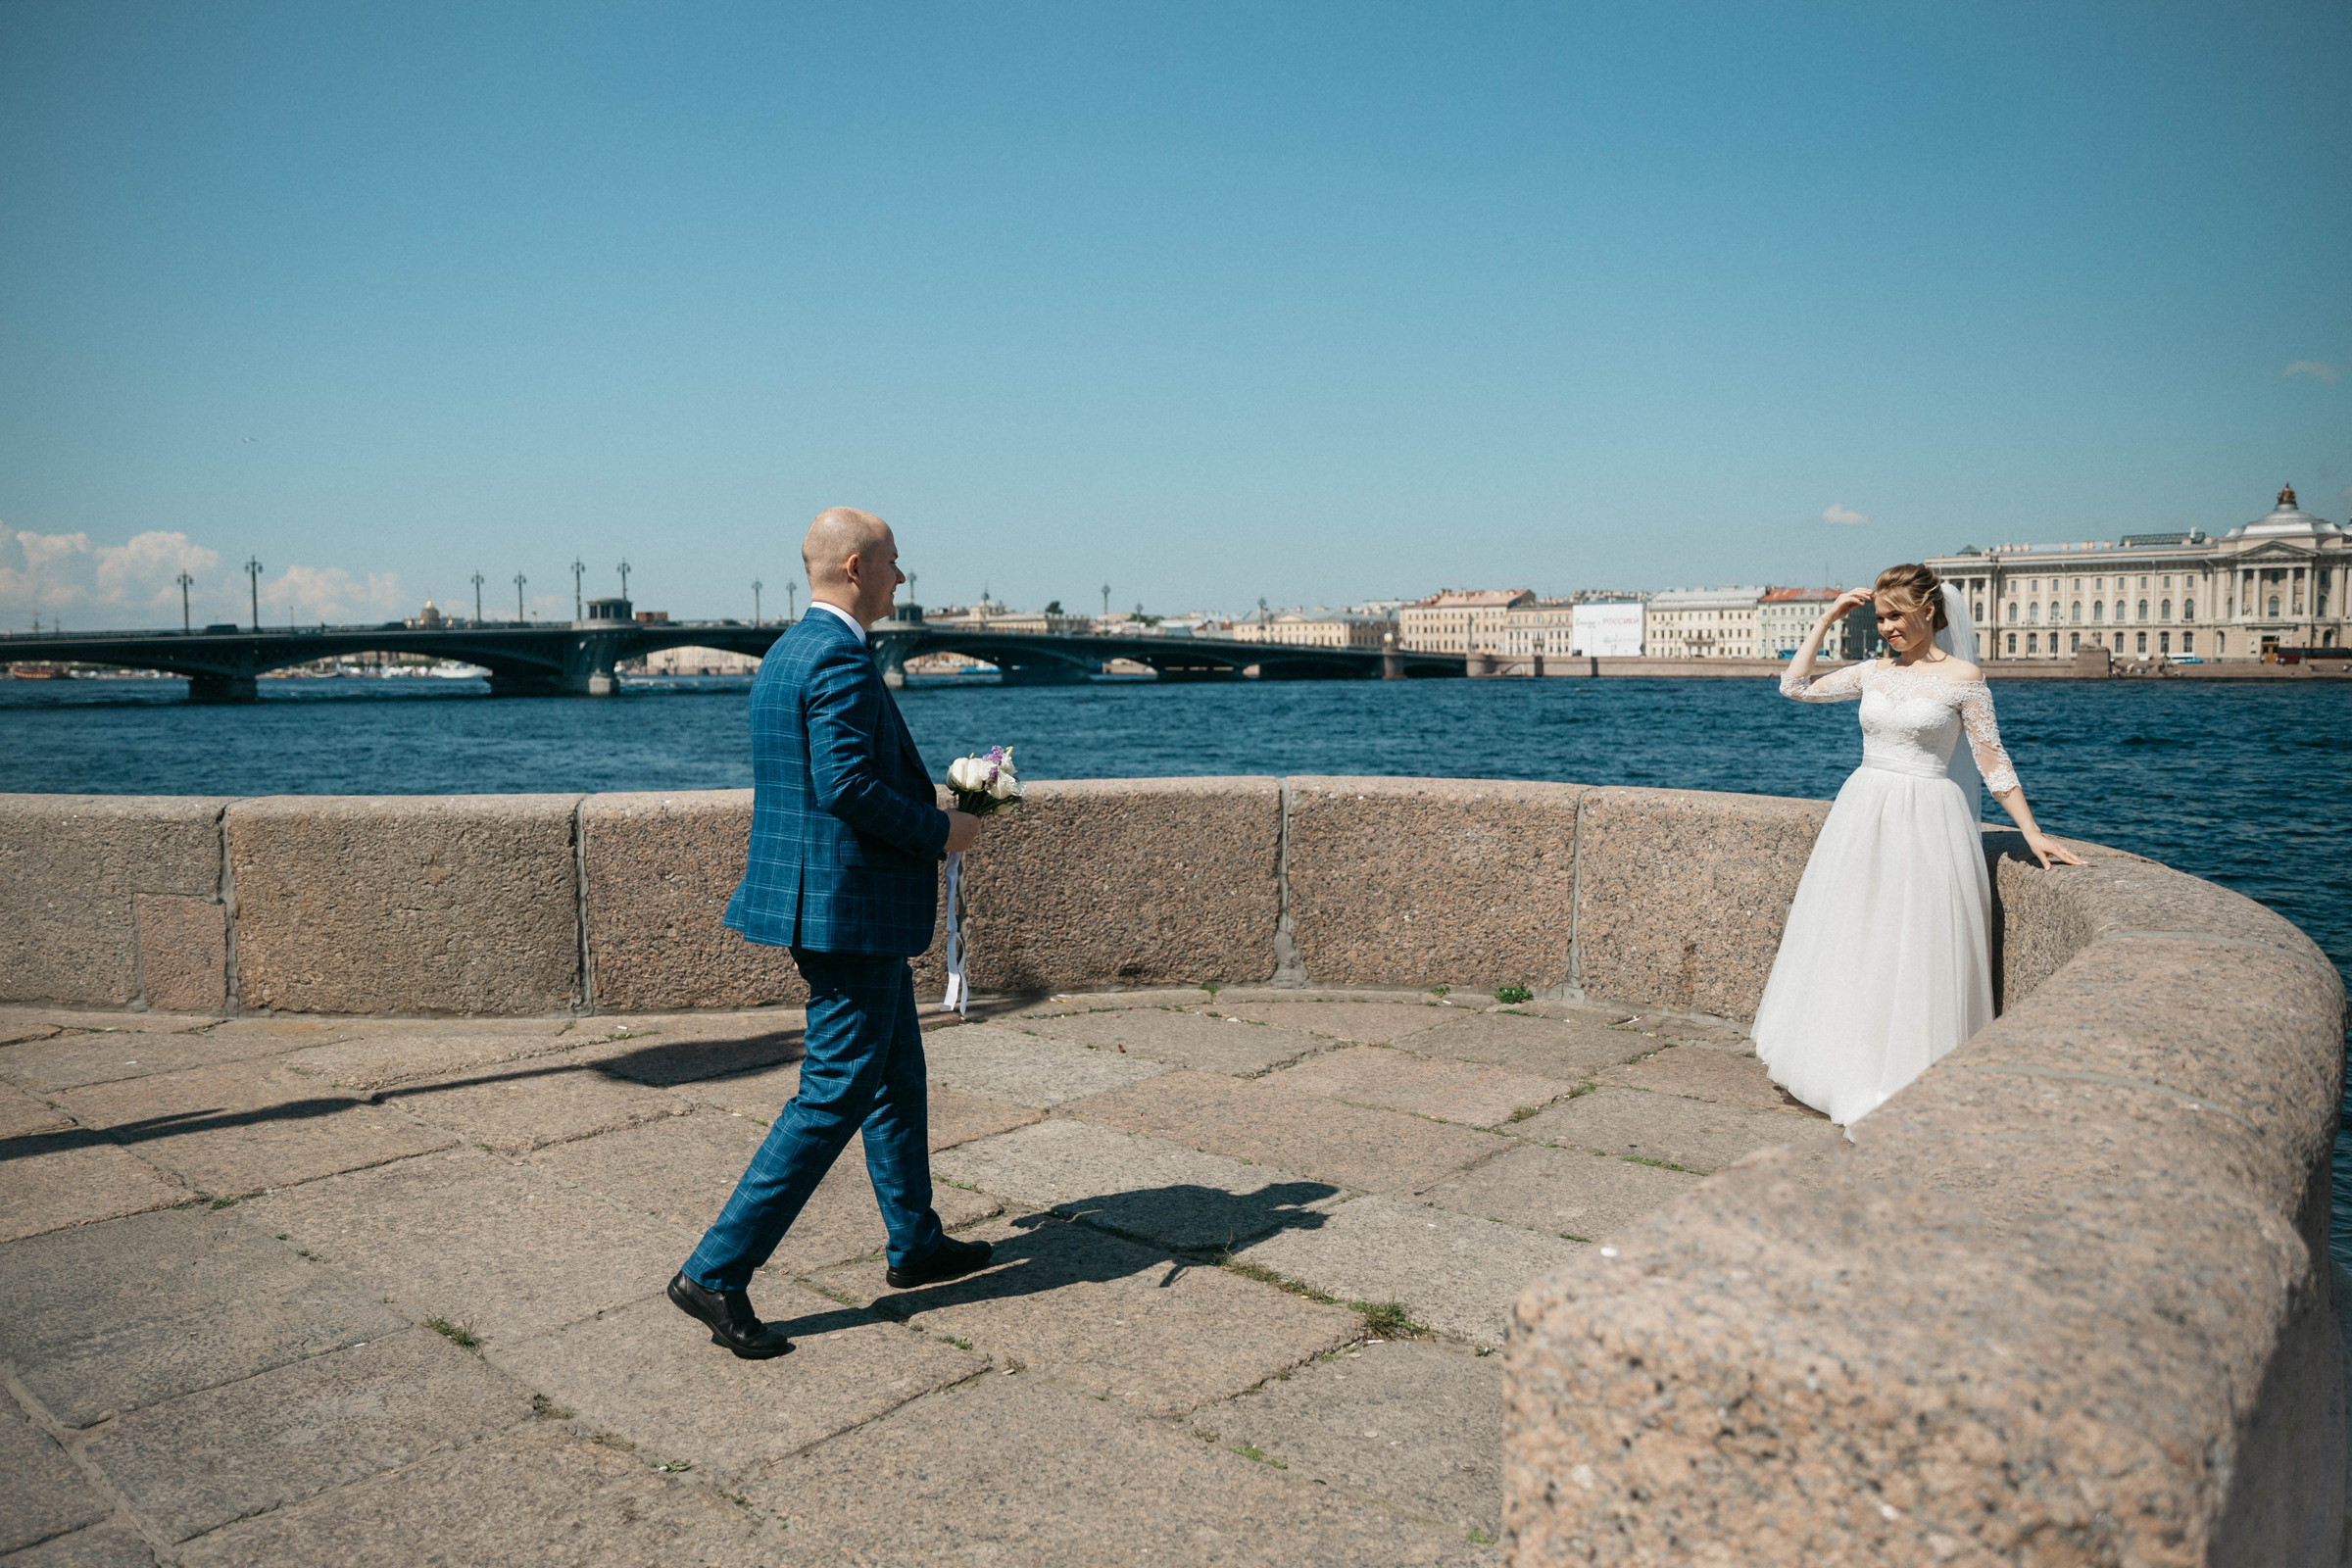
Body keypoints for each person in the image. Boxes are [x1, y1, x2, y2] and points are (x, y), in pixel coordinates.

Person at [668, 507, 989, 1359]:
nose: (900, 577)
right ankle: (716, 1270)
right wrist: (941, 829)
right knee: (835, 1090)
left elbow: (820, 785)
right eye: (892, 562)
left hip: (819, 899)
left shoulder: (786, 654)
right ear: (855, 566)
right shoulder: (841, 658)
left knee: (895, 1072)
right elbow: (846, 787)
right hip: (848, 909)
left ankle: (915, 1241)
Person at [1750, 564, 2083, 1131]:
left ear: (1928, 610)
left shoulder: (1965, 680)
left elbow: (1991, 759)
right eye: (1879, 618)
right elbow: (1795, 686)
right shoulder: (1873, 673)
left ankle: (1902, 1072)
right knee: (1857, 935)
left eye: (1895, 616)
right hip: (1863, 810)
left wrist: (2030, 831)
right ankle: (1837, 1060)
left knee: (1917, 942)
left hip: (1930, 816)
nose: (1886, 628)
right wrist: (1829, 618)